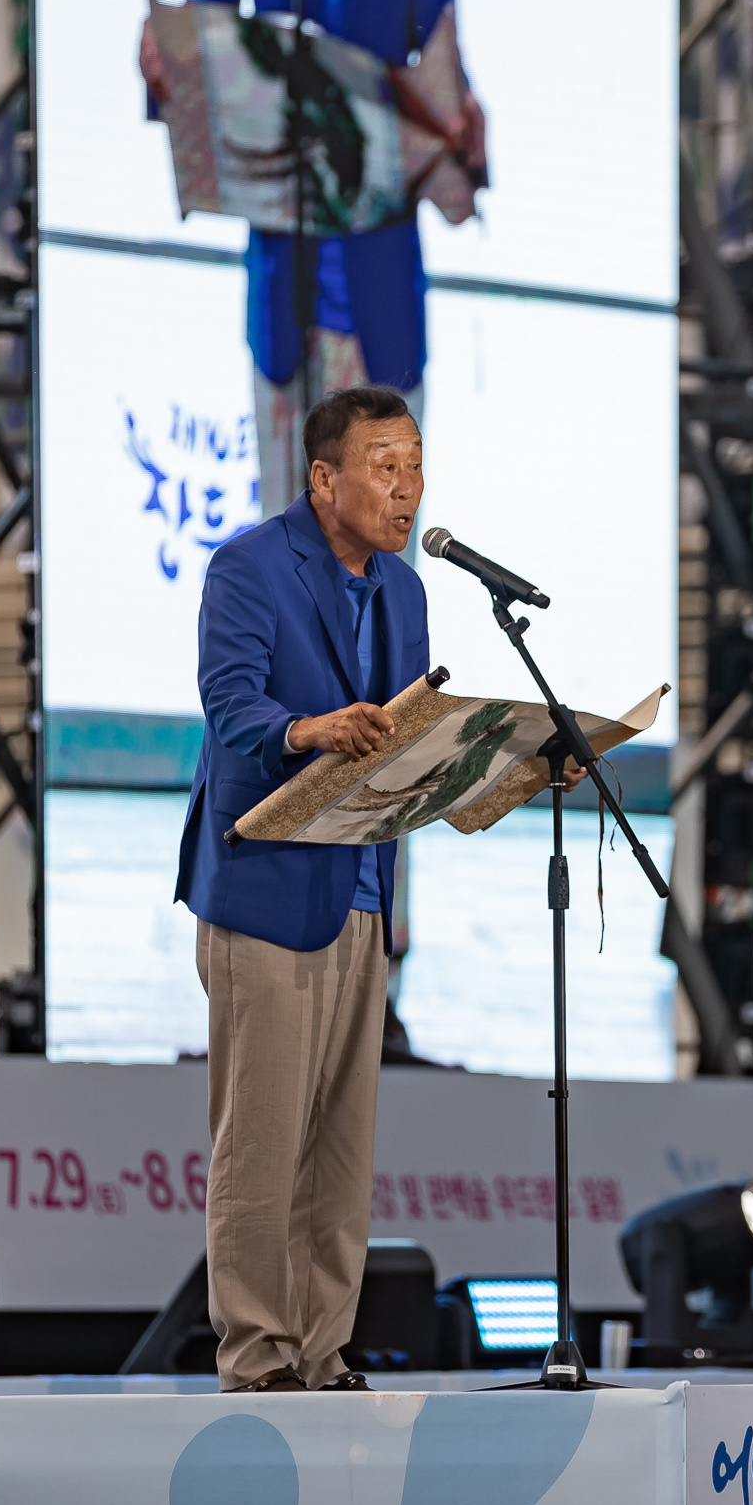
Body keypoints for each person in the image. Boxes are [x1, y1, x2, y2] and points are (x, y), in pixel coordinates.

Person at [173, 388, 579, 1391]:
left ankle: (322, 1347)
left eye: (416, 464)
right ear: (324, 479)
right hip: (266, 889)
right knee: (261, 1139)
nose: (408, 486)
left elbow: (417, 752)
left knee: (340, 1149)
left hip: (361, 888)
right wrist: (311, 729)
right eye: (385, 465)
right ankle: (258, 1351)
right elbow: (232, 708)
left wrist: (532, 767)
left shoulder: (404, 589)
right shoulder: (249, 567)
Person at [142, 0, 486, 521]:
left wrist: (458, 121)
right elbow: (208, 11)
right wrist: (166, 57)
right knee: (287, 558)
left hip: (377, 284)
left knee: (377, 574)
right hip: (283, 285)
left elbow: (438, 35)